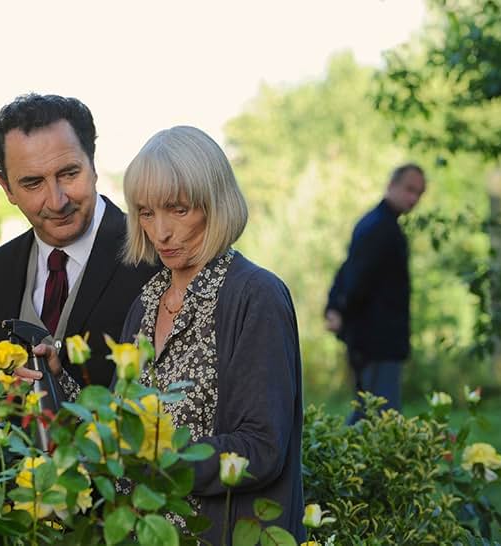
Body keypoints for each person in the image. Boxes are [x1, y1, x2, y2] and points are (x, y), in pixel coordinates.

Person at [32, 126, 305, 543]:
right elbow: (122, 427)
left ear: (215, 205)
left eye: (178, 209)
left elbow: (262, 448)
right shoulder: (147, 302)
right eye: (145, 212)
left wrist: (156, 460)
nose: (160, 232)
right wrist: (59, 379)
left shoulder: (254, 295)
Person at [0, 93, 158, 393]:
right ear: (6, 187)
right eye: (33, 183)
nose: (57, 202)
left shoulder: (157, 255)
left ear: (93, 165)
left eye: (69, 174)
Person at [325, 163, 426, 424]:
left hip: (376, 340)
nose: (413, 198)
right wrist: (338, 308)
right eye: (409, 189)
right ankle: (327, 461)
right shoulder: (380, 228)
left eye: (419, 193)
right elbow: (356, 277)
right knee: (379, 416)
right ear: (391, 185)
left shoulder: (378, 224)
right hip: (375, 341)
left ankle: (332, 460)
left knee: (370, 412)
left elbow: (349, 270)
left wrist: (335, 307)